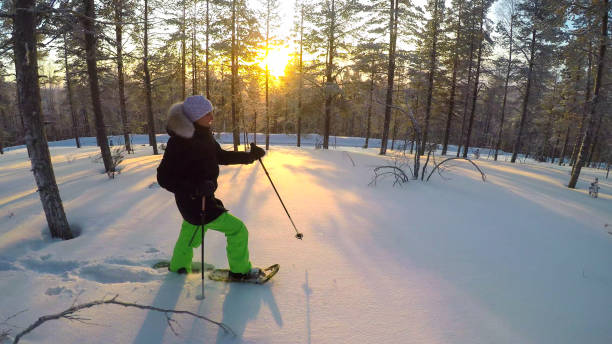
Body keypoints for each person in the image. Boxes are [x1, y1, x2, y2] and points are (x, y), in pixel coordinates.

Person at [157, 95, 266, 280]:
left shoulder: (203, 134)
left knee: (192, 231)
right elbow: (164, 177)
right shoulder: (179, 141)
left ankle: (179, 266)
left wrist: (249, 156)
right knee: (237, 230)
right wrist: (195, 188)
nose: (211, 117)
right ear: (194, 116)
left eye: (211, 112)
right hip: (194, 200)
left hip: (201, 199)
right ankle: (240, 271)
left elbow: (220, 156)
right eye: (206, 114)